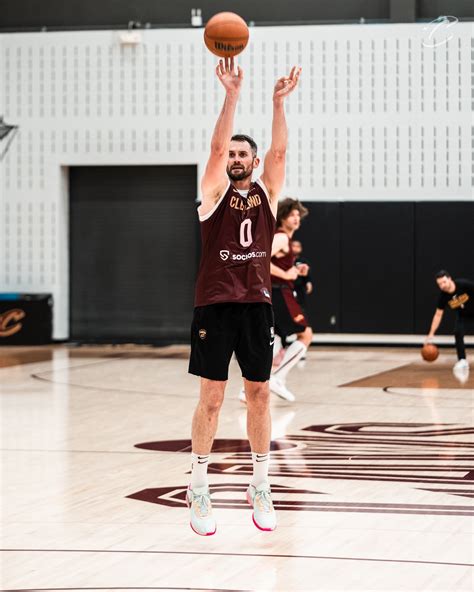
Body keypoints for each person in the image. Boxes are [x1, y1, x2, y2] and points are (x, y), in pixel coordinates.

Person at [187, 57, 301, 536]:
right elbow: (214, 147)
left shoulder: (267, 194)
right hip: (214, 304)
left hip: (257, 305)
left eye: (242, 155)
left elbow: (278, 154)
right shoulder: (212, 195)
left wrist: (277, 102)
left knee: (258, 395)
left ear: (252, 164)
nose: (234, 158)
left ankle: (260, 483)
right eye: (231, 154)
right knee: (211, 399)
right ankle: (198, 485)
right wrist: (232, 94)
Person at [269, 198, 313, 401]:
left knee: (272, 342)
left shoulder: (284, 240)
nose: (296, 218)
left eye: (298, 215)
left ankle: (248, 391)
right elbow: (259, 260)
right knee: (306, 335)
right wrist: (286, 275)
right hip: (278, 292)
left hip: (276, 291)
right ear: (282, 217)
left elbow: (277, 263)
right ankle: (277, 378)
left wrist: (295, 270)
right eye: (291, 215)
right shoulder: (281, 238)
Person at [425, 270, 474, 373]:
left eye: (444, 282)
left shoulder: (463, 284)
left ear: (450, 279)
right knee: (457, 332)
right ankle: (462, 360)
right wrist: (431, 333)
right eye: (439, 284)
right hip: (463, 315)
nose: (442, 285)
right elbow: (438, 315)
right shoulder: (443, 297)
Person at [291, 239, 313, 313]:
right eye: (293, 246)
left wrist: (308, 283)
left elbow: (307, 275)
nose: (296, 248)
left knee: (300, 308)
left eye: (298, 246)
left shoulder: (303, 261)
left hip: (299, 287)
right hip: (287, 287)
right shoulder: (286, 260)